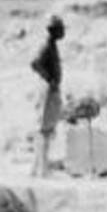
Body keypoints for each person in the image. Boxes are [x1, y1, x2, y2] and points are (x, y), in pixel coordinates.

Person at [29, 15, 65, 178]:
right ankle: (42, 169)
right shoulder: (46, 46)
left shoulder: (52, 46)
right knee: (43, 129)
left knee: (48, 129)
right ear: (53, 30)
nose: (63, 31)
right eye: (60, 28)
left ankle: (37, 168)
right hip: (47, 90)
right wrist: (48, 79)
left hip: (52, 89)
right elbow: (35, 63)